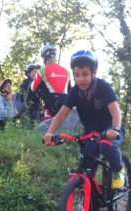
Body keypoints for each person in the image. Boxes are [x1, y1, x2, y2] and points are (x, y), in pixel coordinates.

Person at [43, 50, 126, 189]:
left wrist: (116, 129)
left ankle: (118, 170)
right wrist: (49, 133)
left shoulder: (103, 87)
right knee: (87, 164)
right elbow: (61, 114)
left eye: (85, 74)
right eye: (77, 75)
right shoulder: (75, 92)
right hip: (91, 132)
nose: (81, 79)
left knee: (106, 146)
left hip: (110, 128)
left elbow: (116, 111)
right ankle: (89, 201)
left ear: (94, 72)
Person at [32, 44, 70, 121]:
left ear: (45, 58)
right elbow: (70, 89)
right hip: (66, 103)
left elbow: (33, 88)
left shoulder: (42, 70)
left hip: (51, 104)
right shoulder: (66, 71)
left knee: (41, 84)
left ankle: (45, 112)